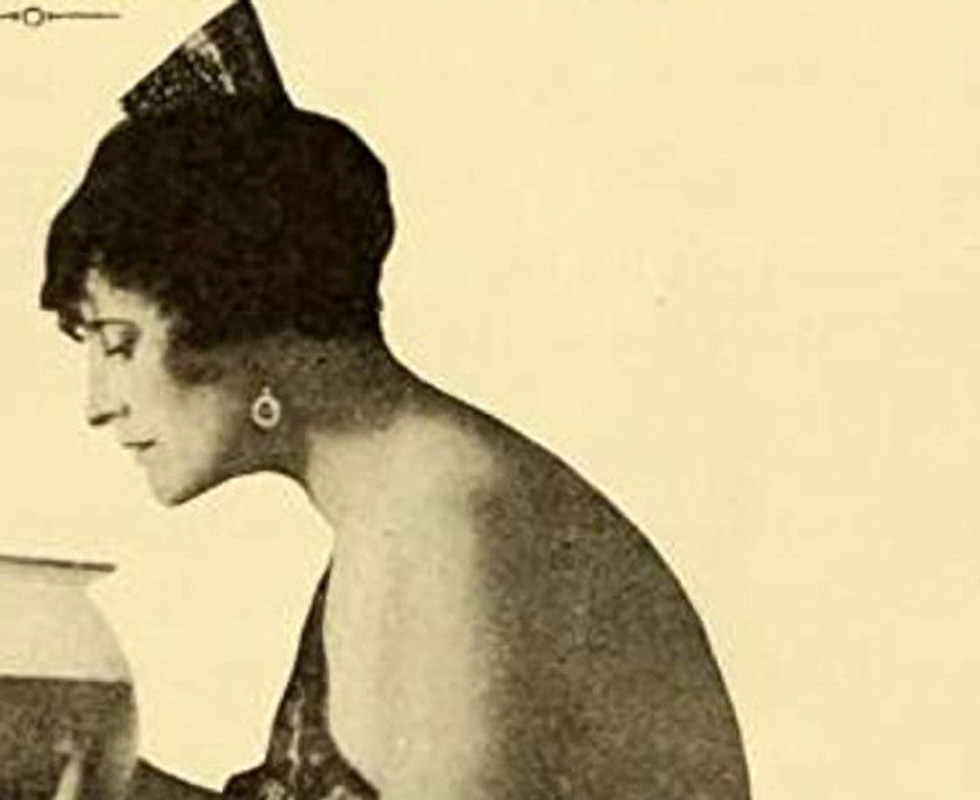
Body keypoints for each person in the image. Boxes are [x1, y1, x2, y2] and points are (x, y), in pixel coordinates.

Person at [38, 3, 749, 798]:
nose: (98, 404)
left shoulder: (442, 525)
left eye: (119, 343)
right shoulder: (415, 494)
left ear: (242, 312)